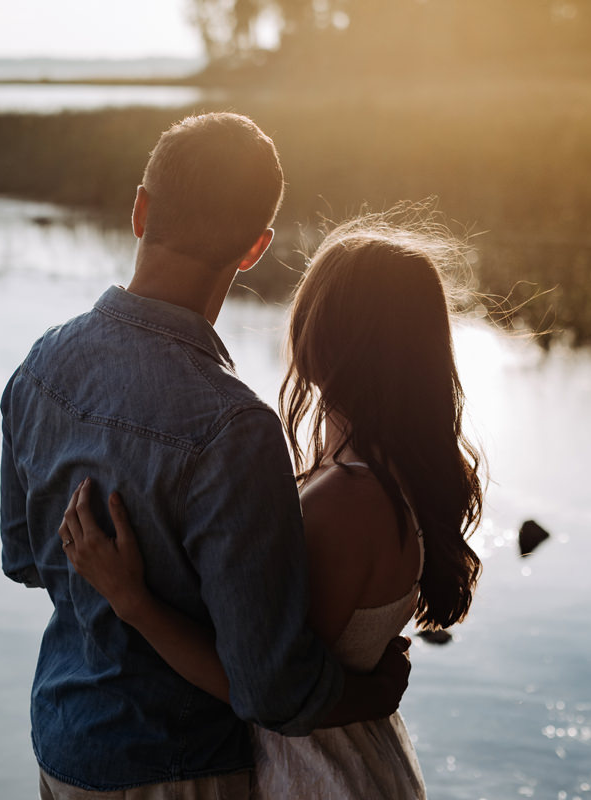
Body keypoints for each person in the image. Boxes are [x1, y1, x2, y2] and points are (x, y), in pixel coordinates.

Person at [0, 113, 413, 800]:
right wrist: (366, 692)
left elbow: (24, 559)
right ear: (254, 248)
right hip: (178, 767)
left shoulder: (38, 365)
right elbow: (270, 689)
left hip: (62, 745)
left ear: (140, 209)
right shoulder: (234, 427)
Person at [59, 215, 485, 798]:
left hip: (317, 779)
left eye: (307, 306)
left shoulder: (349, 500)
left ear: (329, 336)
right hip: (351, 762)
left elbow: (260, 688)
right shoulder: (384, 474)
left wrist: (131, 600)